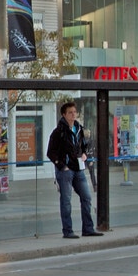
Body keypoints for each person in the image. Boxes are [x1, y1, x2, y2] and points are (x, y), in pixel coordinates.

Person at [46, 102, 104, 239]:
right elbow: (51, 152)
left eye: (74, 112)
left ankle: (88, 228)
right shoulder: (58, 132)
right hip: (66, 170)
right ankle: (68, 230)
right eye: (70, 112)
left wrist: (84, 154)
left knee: (86, 197)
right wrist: (61, 165)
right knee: (66, 200)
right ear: (64, 115)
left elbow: (84, 145)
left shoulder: (79, 129)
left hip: (78, 168)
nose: (73, 115)